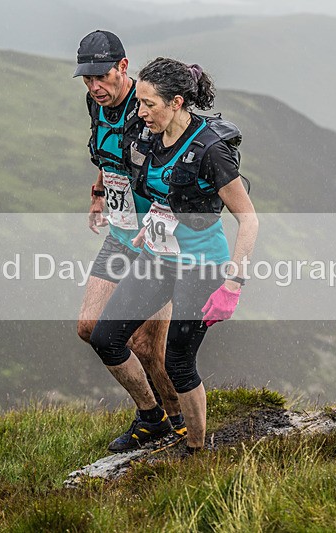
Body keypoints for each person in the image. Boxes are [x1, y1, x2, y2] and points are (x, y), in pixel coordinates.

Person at [90, 57, 259, 453]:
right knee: (105, 337)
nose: (141, 112)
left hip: (203, 265)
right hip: (159, 258)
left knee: (179, 362)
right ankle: (153, 419)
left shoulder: (210, 151)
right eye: (140, 103)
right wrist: (140, 228)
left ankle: (197, 452)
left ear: (177, 102)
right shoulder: (147, 139)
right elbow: (155, 195)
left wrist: (233, 283)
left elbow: (249, 220)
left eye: (149, 104)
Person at [73, 31, 183, 451]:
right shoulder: (96, 104)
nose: (95, 87)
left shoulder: (150, 109)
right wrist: (99, 191)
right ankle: (152, 416)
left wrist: (162, 218)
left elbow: (179, 168)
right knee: (89, 327)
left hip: (157, 244)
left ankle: (180, 424)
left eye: (101, 76)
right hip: (120, 235)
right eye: (87, 80)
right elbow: (106, 154)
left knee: (147, 346)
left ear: (123, 67)